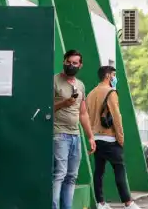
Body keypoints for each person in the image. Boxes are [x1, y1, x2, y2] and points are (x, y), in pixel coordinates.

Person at [86, 65, 140, 209]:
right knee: (119, 170)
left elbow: (87, 116)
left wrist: (92, 136)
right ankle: (128, 203)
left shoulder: (91, 94)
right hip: (110, 139)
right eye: (114, 75)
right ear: (108, 76)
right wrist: (120, 139)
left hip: (96, 139)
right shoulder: (111, 92)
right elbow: (117, 117)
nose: (115, 78)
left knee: (99, 171)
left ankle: (101, 203)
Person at [53, 50, 96, 209]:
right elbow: (47, 107)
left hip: (75, 136)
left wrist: (90, 136)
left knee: (72, 176)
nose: (71, 65)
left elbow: (83, 113)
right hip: (59, 134)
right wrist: (63, 104)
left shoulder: (80, 85)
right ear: (64, 61)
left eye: (74, 63)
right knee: (59, 174)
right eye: (68, 62)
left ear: (80, 65)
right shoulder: (55, 81)